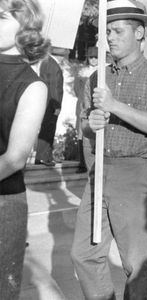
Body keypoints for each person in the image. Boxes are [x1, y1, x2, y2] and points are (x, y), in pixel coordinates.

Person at [70, 1, 147, 299]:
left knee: (135, 263)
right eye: (107, 32)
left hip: (137, 173)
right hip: (100, 171)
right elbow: (86, 129)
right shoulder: (97, 78)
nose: (110, 38)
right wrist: (92, 123)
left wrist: (114, 106)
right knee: (84, 254)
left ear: (139, 32)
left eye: (117, 31)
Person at [0, 0, 50, 298]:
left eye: (1, 16)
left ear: (26, 28)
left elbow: (15, 157)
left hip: (4, 203)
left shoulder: (33, 85)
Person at [34, 53, 64, 167]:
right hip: (51, 103)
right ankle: (43, 157)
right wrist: (57, 106)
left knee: (45, 128)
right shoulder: (53, 65)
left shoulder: (46, 62)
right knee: (48, 129)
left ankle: (42, 157)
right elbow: (55, 87)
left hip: (45, 101)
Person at [74, 46, 98, 173]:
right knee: (81, 131)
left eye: (96, 57)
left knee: (94, 131)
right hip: (82, 105)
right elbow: (76, 89)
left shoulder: (102, 71)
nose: (93, 60)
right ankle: (82, 163)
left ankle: (94, 162)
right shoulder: (82, 72)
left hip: (95, 105)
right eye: (91, 57)